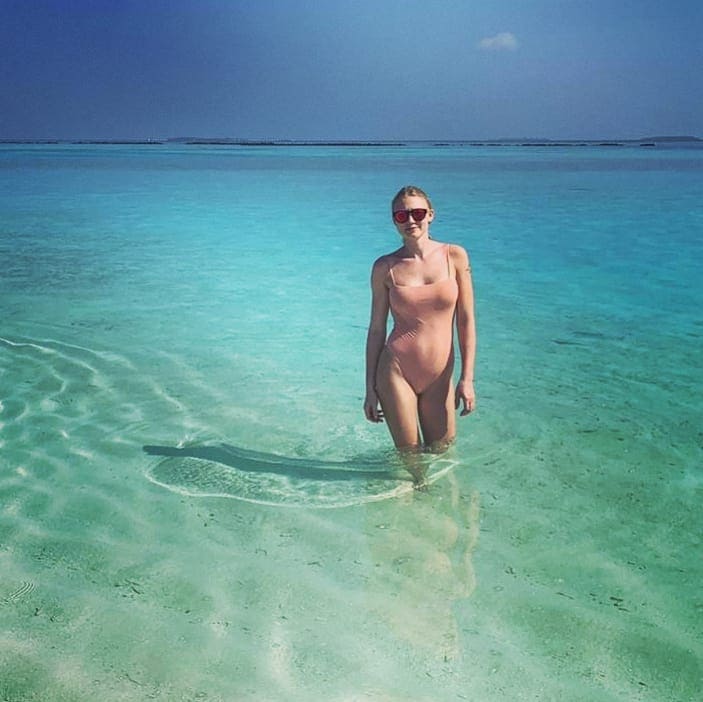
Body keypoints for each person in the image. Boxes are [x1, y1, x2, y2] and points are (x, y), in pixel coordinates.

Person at [364, 185, 476, 453]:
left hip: (440, 375)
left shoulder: (454, 256)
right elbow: (377, 329)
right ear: (394, 221)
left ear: (431, 215)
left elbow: (466, 320)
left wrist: (467, 378)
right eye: (401, 215)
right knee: (410, 459)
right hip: (396, 371)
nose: (410, 220)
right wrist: (369, 388)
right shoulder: (384, 267)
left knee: (442, 451)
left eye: (417, 213)